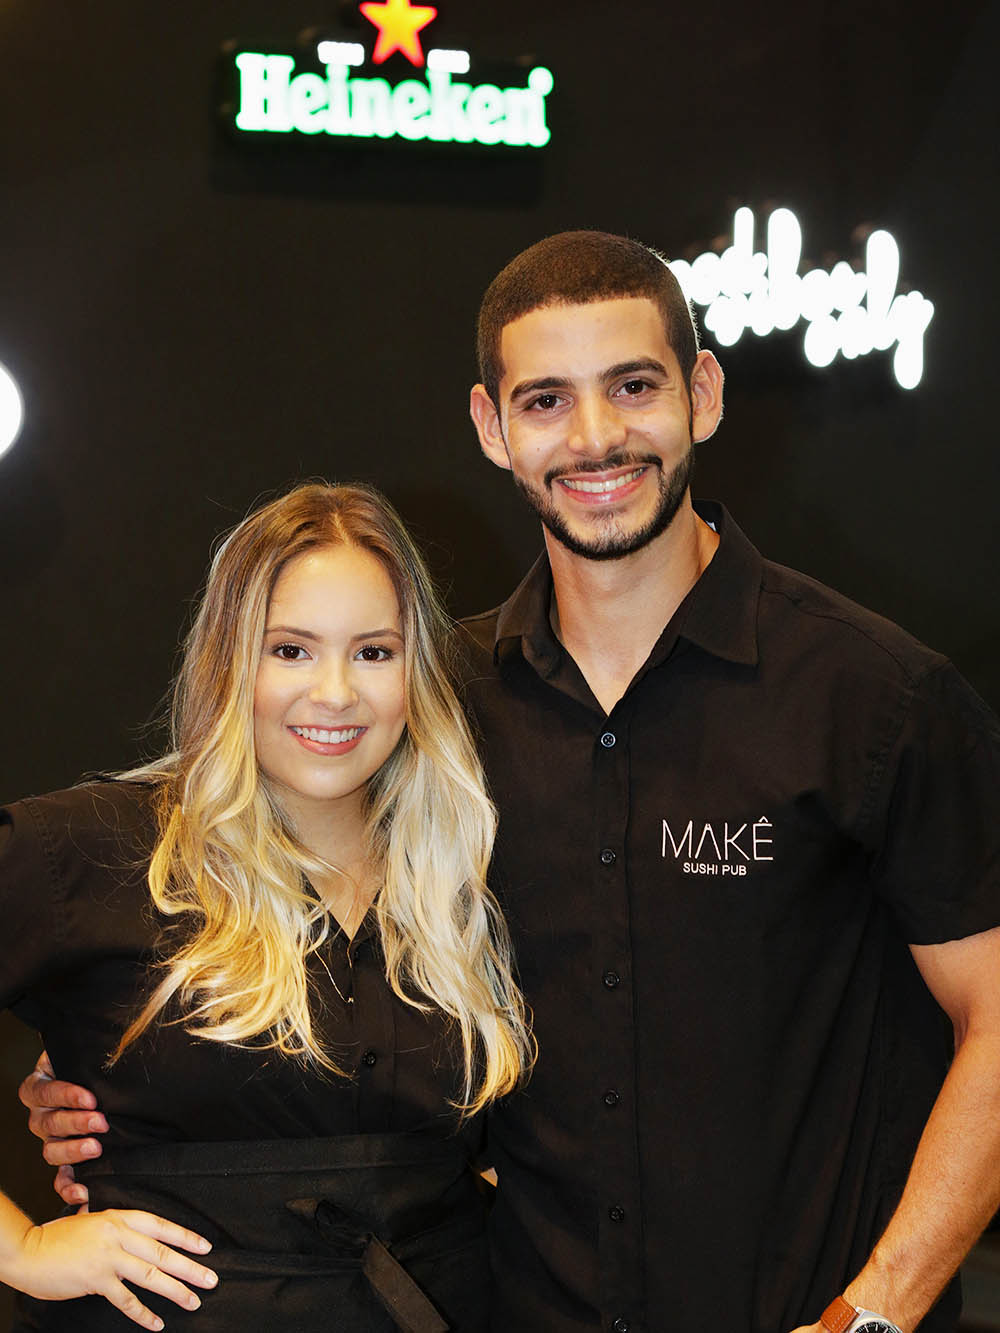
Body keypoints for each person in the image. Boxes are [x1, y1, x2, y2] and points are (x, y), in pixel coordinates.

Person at [21, 233, 1000, 1333]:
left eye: (633, 386)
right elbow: (307, 960)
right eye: (546, 400)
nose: (594, 436)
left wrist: (876, 1313)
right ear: (493, 427)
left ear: (704, 394)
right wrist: (121, 1072)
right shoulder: (434, 714)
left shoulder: (875, 696)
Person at [2, 481, 532, 1331]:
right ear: (229, 660)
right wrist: (24, 1250)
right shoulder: (93, 847)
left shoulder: (463, 872)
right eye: (290, 649)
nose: (334, 692)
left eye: (374, 651)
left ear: (417, 672)